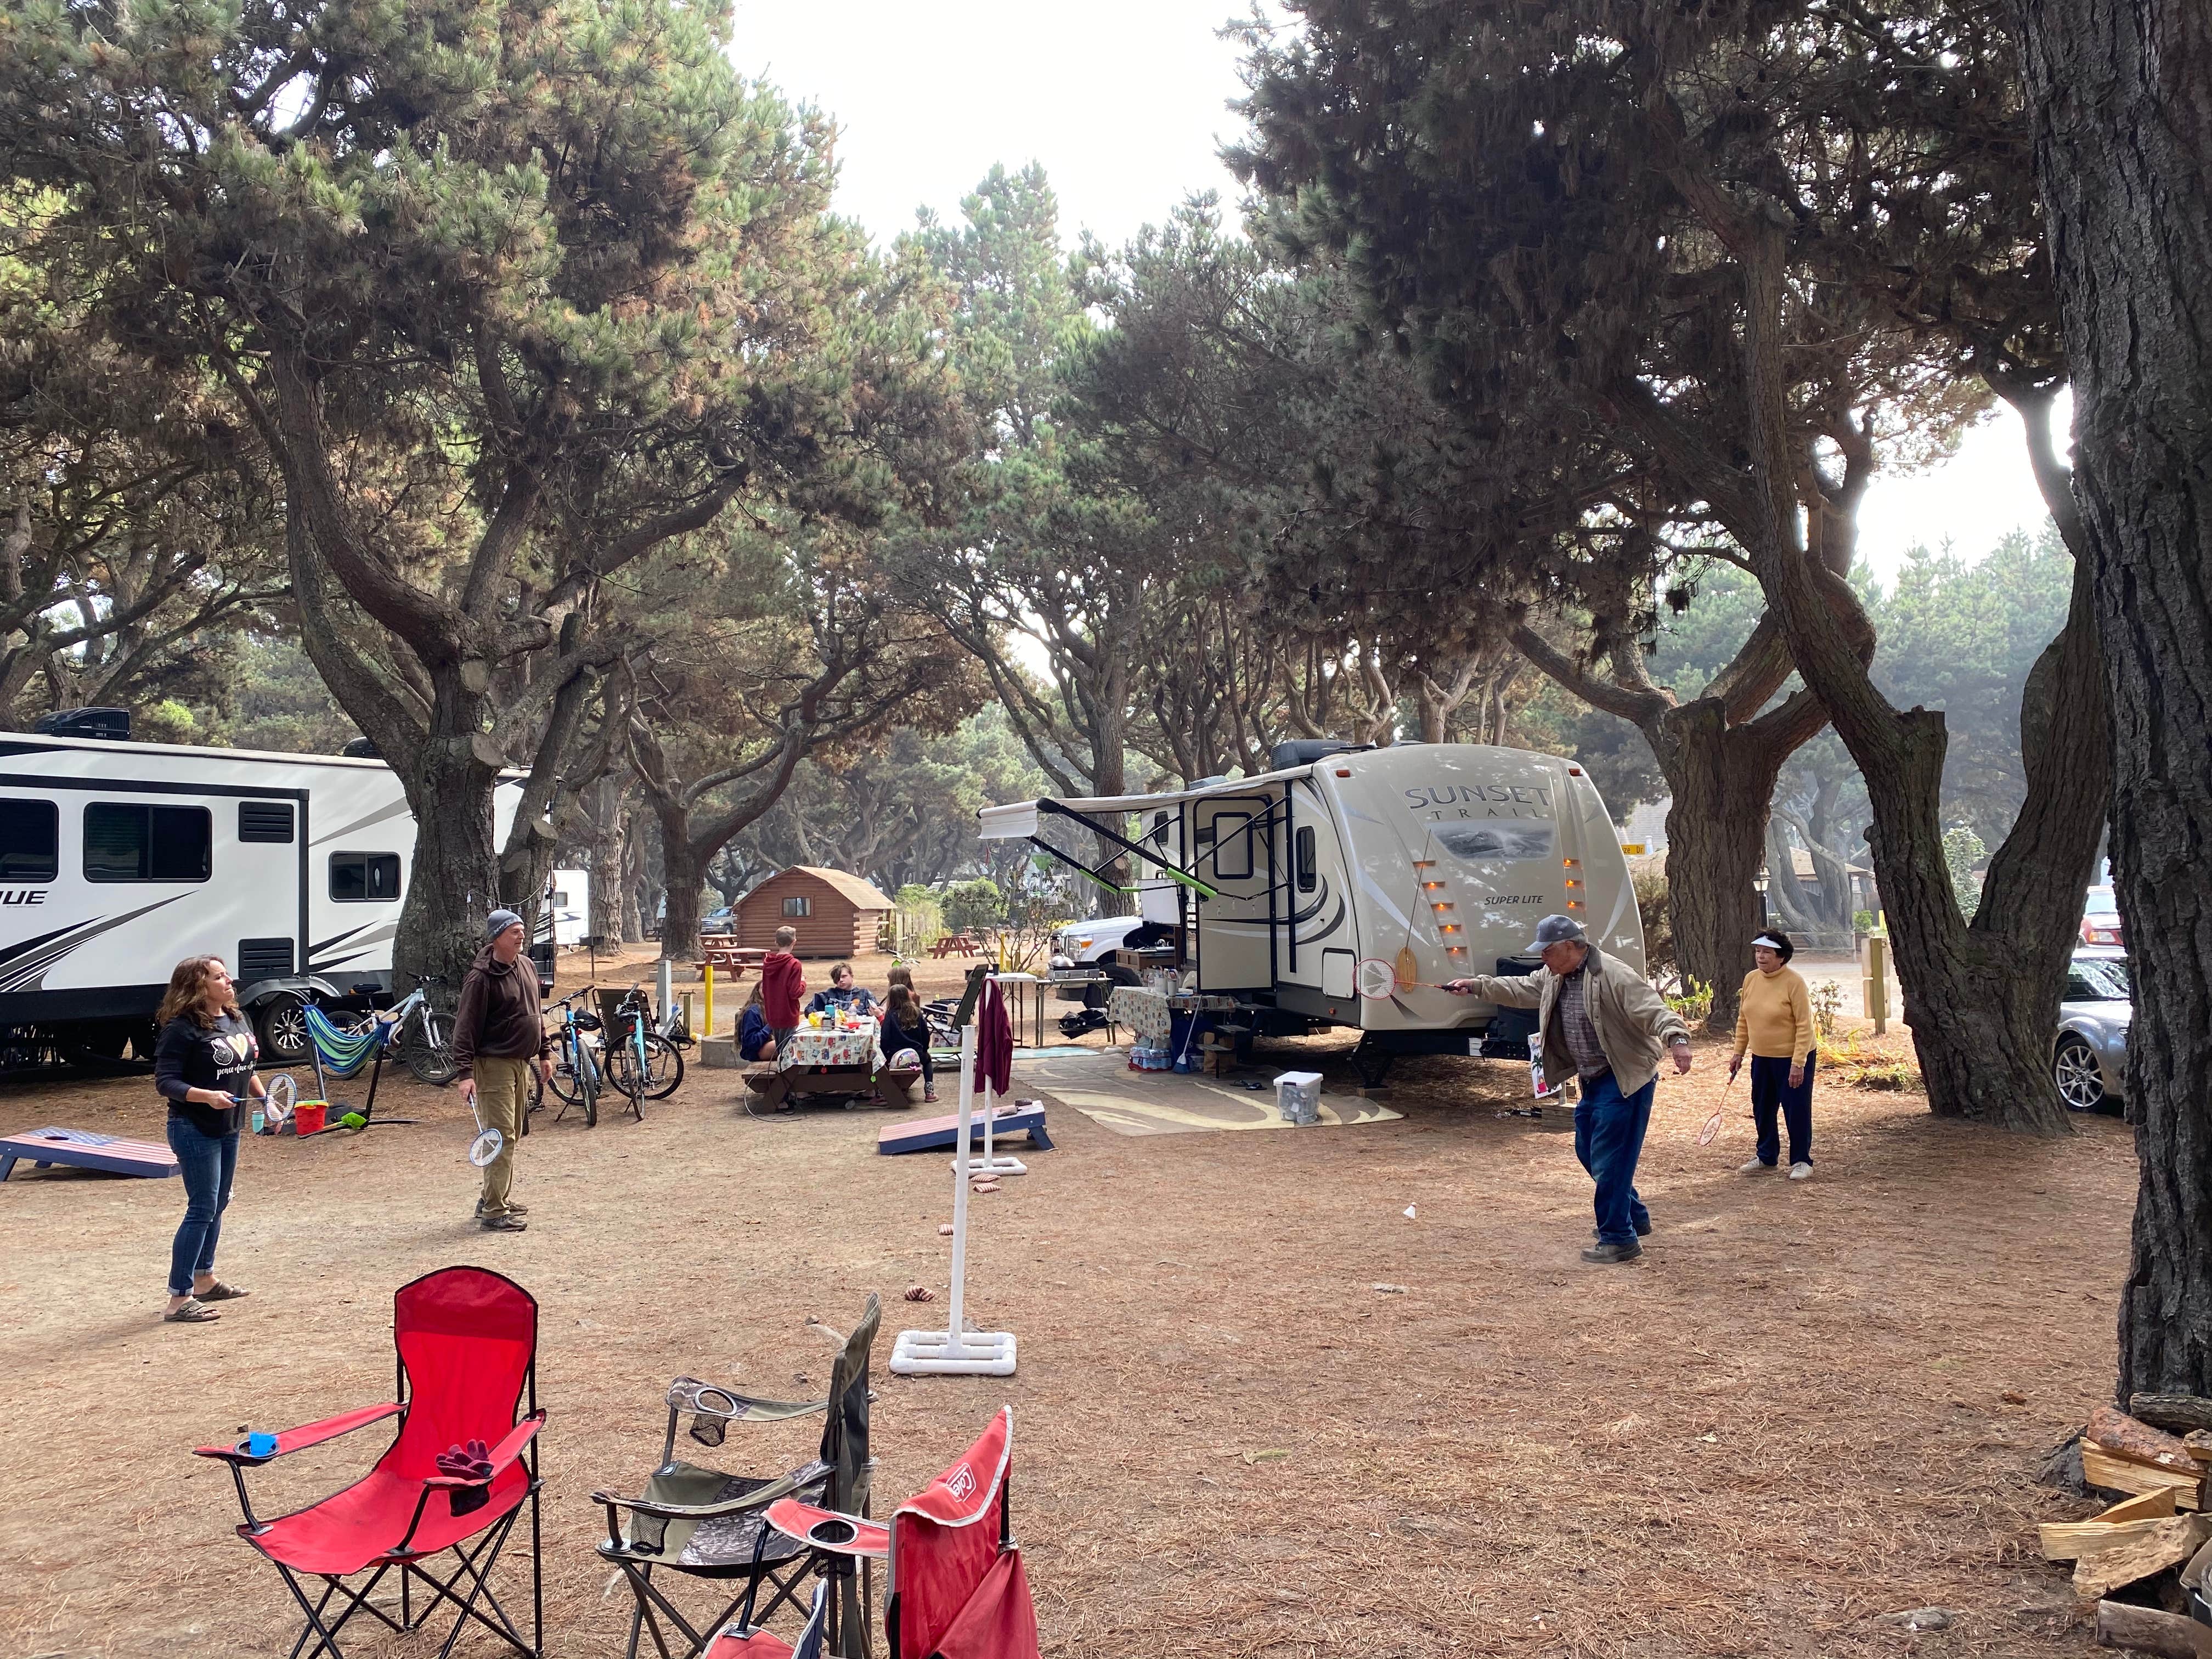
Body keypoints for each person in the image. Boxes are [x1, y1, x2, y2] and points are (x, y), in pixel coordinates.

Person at [1445, 915, 1693, 1264]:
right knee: (1588, 1151)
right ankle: (1632, 1217)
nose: (1542, 957)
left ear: (1571, 947)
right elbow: (1521, 988)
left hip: (1624, 1078)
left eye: (1547, 951)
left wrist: (1678, 1039)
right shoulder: (1554, 974)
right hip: (1592, 1078)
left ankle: (1619, 1239)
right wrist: (1476, 986)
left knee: (1610, 1160)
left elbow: (1652, 1009)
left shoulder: (1613, 973)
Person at [154, 955, 268, 1324]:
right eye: (219, 977)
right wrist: (206, 1096)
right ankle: (179, 1299)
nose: (229, 981)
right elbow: (166, 1082)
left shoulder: (237, 1018)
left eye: (226, 975)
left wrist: (266, 1100)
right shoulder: (182, 1028)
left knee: (218, 1203)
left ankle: (205, 1279)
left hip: (229, 1125)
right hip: (192, 1127)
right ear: (197, 987)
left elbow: (246, 1067)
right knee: (202, 1207)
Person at [453, 910, 552, 1232]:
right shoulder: (480, 978)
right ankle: (495, 1212)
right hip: (493, 1065)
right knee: (501, 1135)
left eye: (522, 930)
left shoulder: (527, 965)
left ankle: (491, 1198)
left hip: (521, 1063)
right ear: (497, 937)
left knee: (514, 1132)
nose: (521, 936)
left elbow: (536, 1013)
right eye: (514, 932)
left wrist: (545, 1053)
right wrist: (465, 1074)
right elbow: (465, 1028)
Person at [1729, 928, 1818, 1180]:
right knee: (1763, 1107)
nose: (1760, 956)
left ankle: (1802, 1160)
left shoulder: (1794, 982)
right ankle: (1767, 1156)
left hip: (1792, 1058)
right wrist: (1738, 1052)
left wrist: (1798, 1063)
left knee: (1796, 1108)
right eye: (1758, 951)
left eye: (1767, 952)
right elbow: (1744, 1018)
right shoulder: (1751, 979)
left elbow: (1805, 1025)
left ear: (1781, 957)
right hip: (1762, 1057)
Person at [882, 984, 938, 1103]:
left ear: (891, 998)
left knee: (880, 1064)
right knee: (928, 1061)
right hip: (916, 1053)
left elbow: (885, 1037)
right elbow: (925, 1035)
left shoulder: (890, 1015)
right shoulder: (917, 1013)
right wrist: (924, 1050)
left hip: (895, 1055)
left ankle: (882, 1094)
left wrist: (885, 1054)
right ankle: (930, 1092)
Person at [761, 926, 805, 1052]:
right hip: (788, 1015)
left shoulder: (767, 963)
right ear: (794, 942)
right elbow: (795, 993)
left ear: (776, 942)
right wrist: (803, 983)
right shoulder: (794, 964)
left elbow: (765, 989)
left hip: (773, 1014)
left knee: (780, 1050)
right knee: (788, 1053)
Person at [805, 961, 878, 1020]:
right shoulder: (829, 995)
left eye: (844, 976)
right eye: (837, 978)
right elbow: (808, 1011)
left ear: (852, 976)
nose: (841, 980)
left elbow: (877, 1011)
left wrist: (854, 1013)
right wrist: (826, 1014)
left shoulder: (864, 994)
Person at [737, 981, 778, 1063]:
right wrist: (770, 1026)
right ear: (757, 991)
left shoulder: (773, 1008)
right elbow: (751, 1042)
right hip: (755, 1051)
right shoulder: (752, 1011)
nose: (767, 990)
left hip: (768, 1045)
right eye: (764, 988)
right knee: (786, 1044)